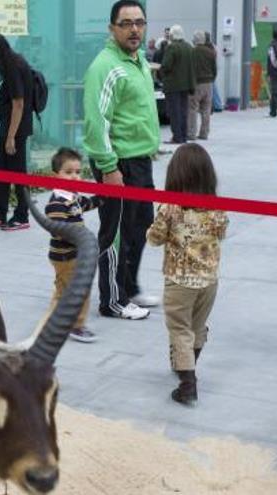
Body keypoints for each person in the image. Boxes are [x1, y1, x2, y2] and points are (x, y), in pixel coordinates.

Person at [83, 0, 160, 321]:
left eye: (139, 22)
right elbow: (95, 122)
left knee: (141, 226)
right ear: (112, 28)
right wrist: (109, 167)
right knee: (115, 232)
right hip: (118, 163)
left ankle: (129, 288)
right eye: (126, 23)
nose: (134, 29)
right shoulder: (106, 66)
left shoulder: (138, 59)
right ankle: (112, 300)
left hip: (140, 160)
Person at [147, 144, 228, 405]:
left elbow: (155, 238)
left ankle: (187, 384)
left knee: (179, 330)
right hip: (209, 282)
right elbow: (221, 233)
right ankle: (187, 364)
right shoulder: (216, 207)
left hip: (179, 282)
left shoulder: (170, 208)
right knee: (197, 327)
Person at [45, 148, 103, 343]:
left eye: (77, 172)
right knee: (80, 290)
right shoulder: (56, 202)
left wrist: (101, 198)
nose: (74, 176)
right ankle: (77, 326)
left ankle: (52, 323)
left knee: (62, 291)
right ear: (56, 175)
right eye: (68, 172)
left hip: (72, 255)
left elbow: (85, 204)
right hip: (65, 255)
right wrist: (81, 238)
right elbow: (58, 230)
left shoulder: (72, 197)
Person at [0, 33, 35, 231]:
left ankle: (22, 215)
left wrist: (11, 136)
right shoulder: (12, 63)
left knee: (18, 172)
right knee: (2, 169)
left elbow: (18, 103)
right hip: (9, 126)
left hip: (16, 128)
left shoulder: (12, 66)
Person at [161, 25, 196, 144]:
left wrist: (161, 74)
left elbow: (166, 65)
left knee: (174, 112)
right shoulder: (189, 47)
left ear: (172, 35)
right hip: (186, 85)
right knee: (183, 112)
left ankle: (177, 137)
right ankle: (183, 136)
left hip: (173, 85)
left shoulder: (172, 48)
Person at [188, 30, 216, 140]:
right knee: (206, 109)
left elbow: (190, 69)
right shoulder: (211, 52)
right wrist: (212, 79)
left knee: (192, 108)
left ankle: (191, 133)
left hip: (197, 83)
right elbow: (214, 69)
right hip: (209, 83)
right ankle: (204, 133)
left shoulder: (192, 52)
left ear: (195, 40)